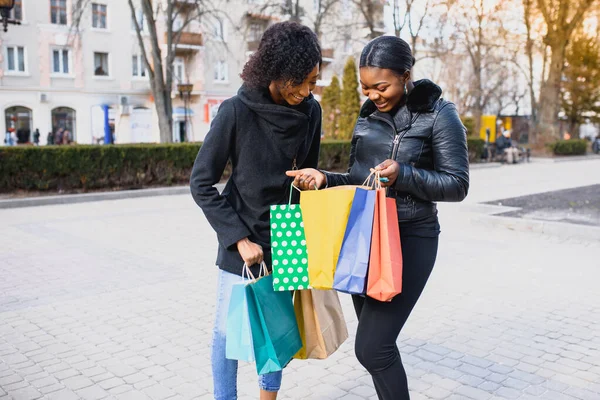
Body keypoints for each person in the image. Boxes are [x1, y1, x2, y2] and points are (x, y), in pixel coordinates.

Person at [287, 36, 469, 400]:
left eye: (381, 86)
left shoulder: (439, 114)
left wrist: (405, 173)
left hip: (410, 239)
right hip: (365, 239)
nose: (373, 95)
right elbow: (360, 180)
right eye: (366, 88)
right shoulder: (368, 113)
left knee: (372, 347)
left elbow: (457, 184)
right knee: (378, 349)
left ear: (405, 75)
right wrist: (325, 178)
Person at [189, 21, 322, 400]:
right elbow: (200, 182)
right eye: (305, 81)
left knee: (277, 328)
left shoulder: (311, 112)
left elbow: (306, 175)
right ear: (281, 75)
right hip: (242, 234)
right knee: (226, 331)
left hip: (288, 232)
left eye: (314, 81)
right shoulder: (235, 112)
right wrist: (238, 238)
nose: (310, 91)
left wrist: (310, 187)